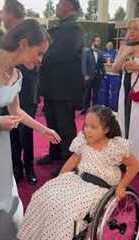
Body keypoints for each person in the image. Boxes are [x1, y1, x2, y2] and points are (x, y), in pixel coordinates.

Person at [0, 19, 61, 239]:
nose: (40, 60)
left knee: (3, 199)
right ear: (24, 44)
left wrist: (42, 129)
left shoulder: (18, 76)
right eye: (39, 53)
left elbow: (16, 111)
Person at [18, 105, 139, 240]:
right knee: (43, 196)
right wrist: (59, 181)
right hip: (77, 180)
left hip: (97, 188)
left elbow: (135, 165)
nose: (87, 130)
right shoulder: (84, 142)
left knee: (66, 209)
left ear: (106, 129)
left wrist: (122, 186)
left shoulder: (114, 147)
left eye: (93, 127)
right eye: (86, 126)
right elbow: (71, 163)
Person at [37, 0, 84, 176]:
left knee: (65, 126)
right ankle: (55, 153)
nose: (56, 6)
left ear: (70, 6)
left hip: (64, 87)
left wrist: (40, 57)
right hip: (53, 86)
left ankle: (68, 161)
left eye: (60, 3)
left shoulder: (74, 28)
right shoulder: (62, 27)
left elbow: (64, 53)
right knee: (53, 123)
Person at [1, 0, 41, 185]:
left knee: (26, 132)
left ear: (11, 14)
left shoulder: (32, 34)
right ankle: (16, 168)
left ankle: (29, 168)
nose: (2, 16)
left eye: (3, 12)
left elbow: (36, 62)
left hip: (26, 90)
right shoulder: (5, 37)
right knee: (12, 132)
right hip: (7, 90)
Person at [112, 18, 139, 171]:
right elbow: (115, 69)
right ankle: (124, 160)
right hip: (125, 92)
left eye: (136, 29)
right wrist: (123, 56)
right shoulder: (123, 48)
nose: (132, 32)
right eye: (130, 29)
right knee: (123, 122)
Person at [81, 35, 105, 114]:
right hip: (88, 76)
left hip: (97, 76)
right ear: (93, 41)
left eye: (99, 41)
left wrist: (103, 74)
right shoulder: (86, 51)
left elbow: (102, 65)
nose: (99, 42)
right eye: (97, 41)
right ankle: (85, 109)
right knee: (87, 93)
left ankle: (94, 110)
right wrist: (85, 75)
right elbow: (83, 64)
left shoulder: (100, 52)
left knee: (96, 94)